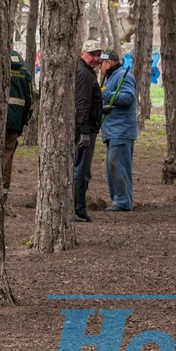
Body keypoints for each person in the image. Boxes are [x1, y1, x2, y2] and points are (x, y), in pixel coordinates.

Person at [100, 51, 137, 211]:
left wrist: (105, 93)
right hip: (113, 130)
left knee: (118, 164)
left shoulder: (124, 76)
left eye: (101, 63)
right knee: (112, 165)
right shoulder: (112, 77)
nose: (100, 67)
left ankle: (123, 201)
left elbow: (128, 97)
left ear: (108, 63)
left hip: (121, 129)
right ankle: (117, 199)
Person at [74, 38, 104, 222]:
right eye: (92, 54)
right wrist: (84, 131)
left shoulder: (87, 72)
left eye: (98, 55)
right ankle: (77, 209)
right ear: (82, 54)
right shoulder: (84, 74)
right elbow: (82, 103)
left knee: (83, 171)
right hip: (84, 130)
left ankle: (78, 207)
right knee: (81, 170)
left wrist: (101, 109)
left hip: (88, 126)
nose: (95, 58)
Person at [3, 50, 33, 201]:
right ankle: (3, 192)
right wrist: (22, 124)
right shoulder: (25, 70)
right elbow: (29, 102)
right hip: (14, 122)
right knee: (7, 157)